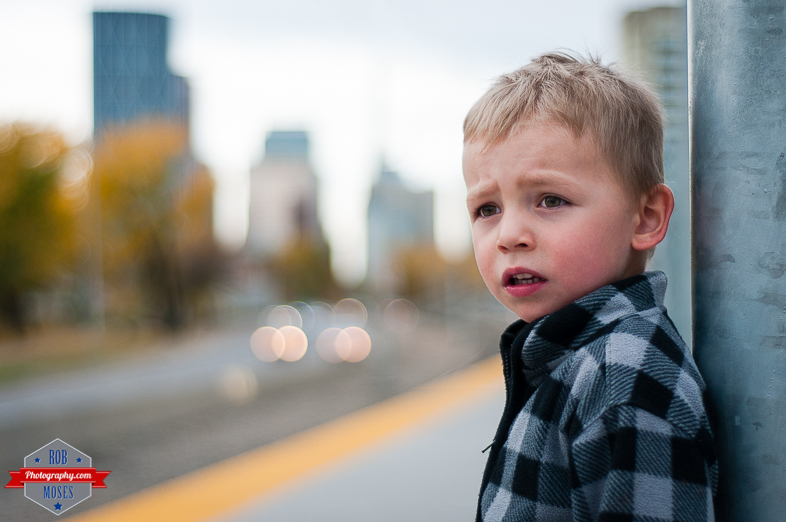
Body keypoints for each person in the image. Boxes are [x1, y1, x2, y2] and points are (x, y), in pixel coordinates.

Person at [463, 52, 717, 522]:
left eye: (550, 200)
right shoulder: (574, 363)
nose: (508, 235)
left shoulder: (624, 374)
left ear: (646, 218)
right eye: (487, 209)